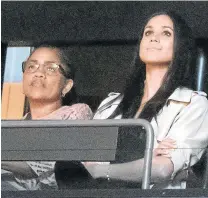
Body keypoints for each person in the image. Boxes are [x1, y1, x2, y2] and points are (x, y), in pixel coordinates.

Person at [82, 11, 208, 189]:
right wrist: (147, 159)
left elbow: (163, 169)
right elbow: (85, 160)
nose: (153, 38)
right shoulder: (111, 104)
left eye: (166, 33)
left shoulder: (193, 104)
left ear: (181, 46)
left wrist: (100, 171)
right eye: (148, 32)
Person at [1, 44, 93, 190]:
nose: (38, 73)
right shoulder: (10, 127)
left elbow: (49, 167)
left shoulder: (76, 113)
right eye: (31, 67)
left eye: (50, 68)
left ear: (67, 86)